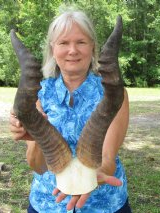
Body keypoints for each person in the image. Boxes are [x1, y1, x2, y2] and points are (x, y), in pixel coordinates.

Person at [9, 8, 131, 213]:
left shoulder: (114, 94)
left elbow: (108, 159)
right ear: (53, 48)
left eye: (81, 42)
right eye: (64, 43)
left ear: (92, 46)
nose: (72, 50)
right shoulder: (37, 96)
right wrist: (35, 130)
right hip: (48, 204)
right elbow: (37, 165)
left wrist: (91, 178)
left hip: (104, 204)